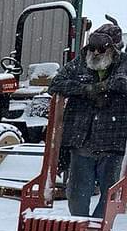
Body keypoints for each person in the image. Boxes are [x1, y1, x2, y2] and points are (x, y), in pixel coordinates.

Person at [49, 17, 127, 217]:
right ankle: (79, 228)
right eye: (92, 48)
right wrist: (85, 89)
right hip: (81, 139)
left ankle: (98, 230)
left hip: (112, 141)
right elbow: (56, 83)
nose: (95, 53)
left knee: (109, 192)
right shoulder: (80, 63)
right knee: (76, 193)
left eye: (101, 49)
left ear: (114, 50)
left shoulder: (124, 64)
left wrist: (104, 88)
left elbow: (122, 83)